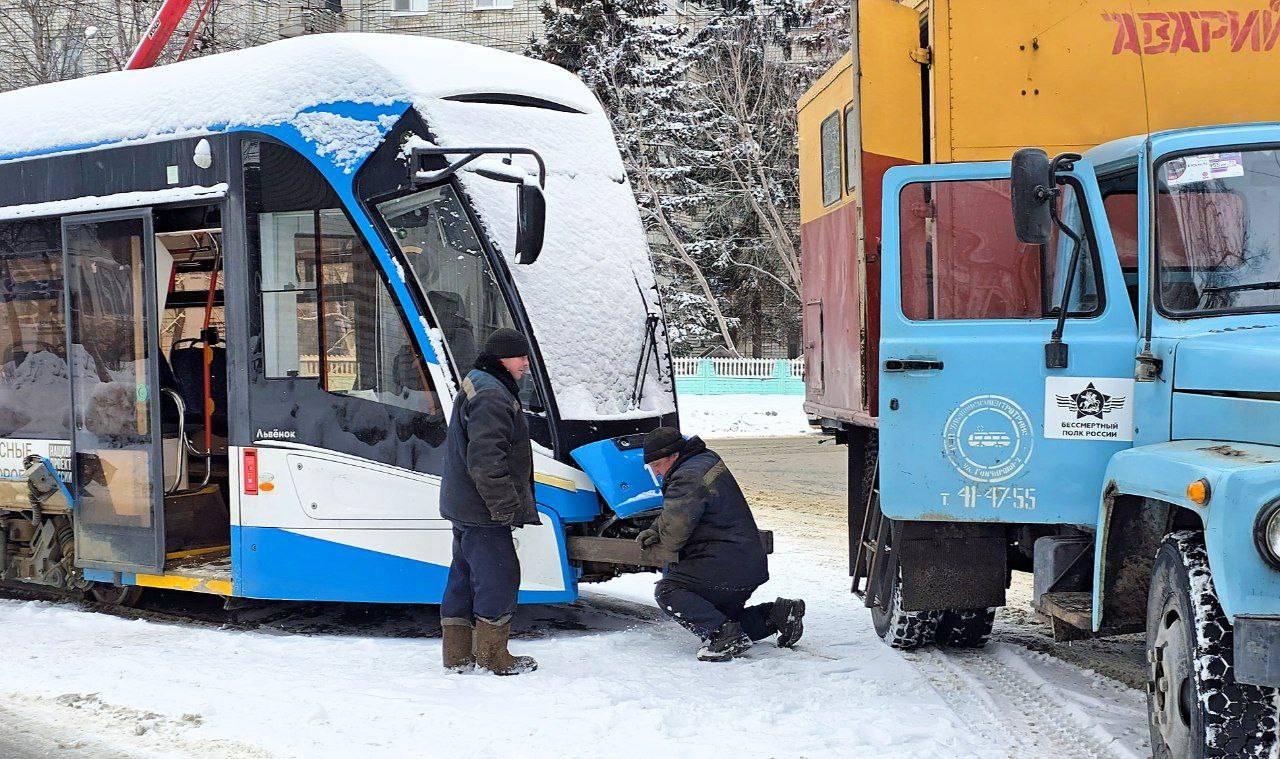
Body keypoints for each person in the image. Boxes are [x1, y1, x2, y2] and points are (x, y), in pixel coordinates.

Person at [638, 427, 806, 662]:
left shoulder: (686, 477)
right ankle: (776, 615)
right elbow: (686, 508)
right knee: (723, 617)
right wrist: (656, 528)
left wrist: (661, 534)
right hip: (744, 560)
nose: (656, 472)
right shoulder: (705, 459)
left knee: (668, 591)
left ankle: (726, 637)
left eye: (656, 465)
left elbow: (674, 537)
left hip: (724, 563)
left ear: (673, 456)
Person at [439, 327, 540, 675]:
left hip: (464, 504)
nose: (526, 364)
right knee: (499, 576)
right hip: (483, 508)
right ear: (503, 358)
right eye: (520, 357)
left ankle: (457, 655)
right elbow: (486, 460)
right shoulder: (492, 396)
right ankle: (494, 656)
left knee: (464, 576)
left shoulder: (479, 382)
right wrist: (504, 507)